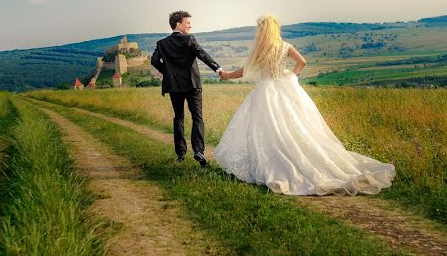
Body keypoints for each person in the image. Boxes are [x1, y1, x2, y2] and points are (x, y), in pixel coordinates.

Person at [216, 13, 395, 195]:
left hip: (266, 91)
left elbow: (245, 70)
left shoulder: (261, 50)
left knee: (265, 129)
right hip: (284, 88)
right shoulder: (284, 46)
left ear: (263, 30)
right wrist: (292, 75)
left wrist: (227, 75)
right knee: (296, 125)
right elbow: (302, 62)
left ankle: (274, 161)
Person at [151, 10, 226, 167]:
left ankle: (180, 154)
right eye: (188, 23)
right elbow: (202, 54)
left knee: (178, 118)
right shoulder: (189, 39)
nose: (190, 25)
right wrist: (218, 69)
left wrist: (167, 71)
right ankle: (199, 151)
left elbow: (154, 61)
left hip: (174, 86)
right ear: (178, 24)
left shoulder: (162, 43)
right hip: (192, 85)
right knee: (197, 117)